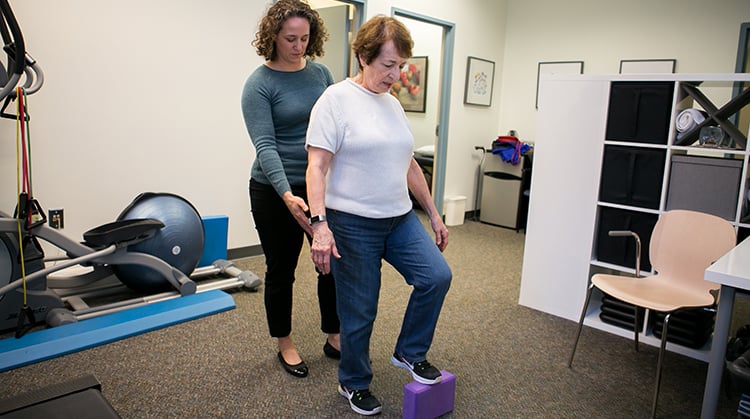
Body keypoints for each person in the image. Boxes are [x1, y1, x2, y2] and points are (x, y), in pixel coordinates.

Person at [305, 15, 452, 416]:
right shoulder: (334, 101)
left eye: (401, 66)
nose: (396, 75)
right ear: (364, 57)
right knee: (360, 309)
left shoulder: (392, 104)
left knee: (436, 276)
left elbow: (408, 165)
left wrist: (434, 214)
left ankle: (409, 351)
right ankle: (353, 383)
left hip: (399, 218)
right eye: (389, 65)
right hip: (352, 222)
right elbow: (315, 166)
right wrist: (320, 226)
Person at [241, 0, 340, 379]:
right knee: (281, 270)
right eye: (290, 39)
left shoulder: (321, 74)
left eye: (305, 38)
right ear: (273, 37)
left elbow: (336, 122)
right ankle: (285, 342)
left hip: (318, 185)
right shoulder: (259, 84)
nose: (298, 46)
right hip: (273, 191)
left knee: (330, 261)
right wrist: (286, 195)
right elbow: (265, 146)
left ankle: (334, 335)